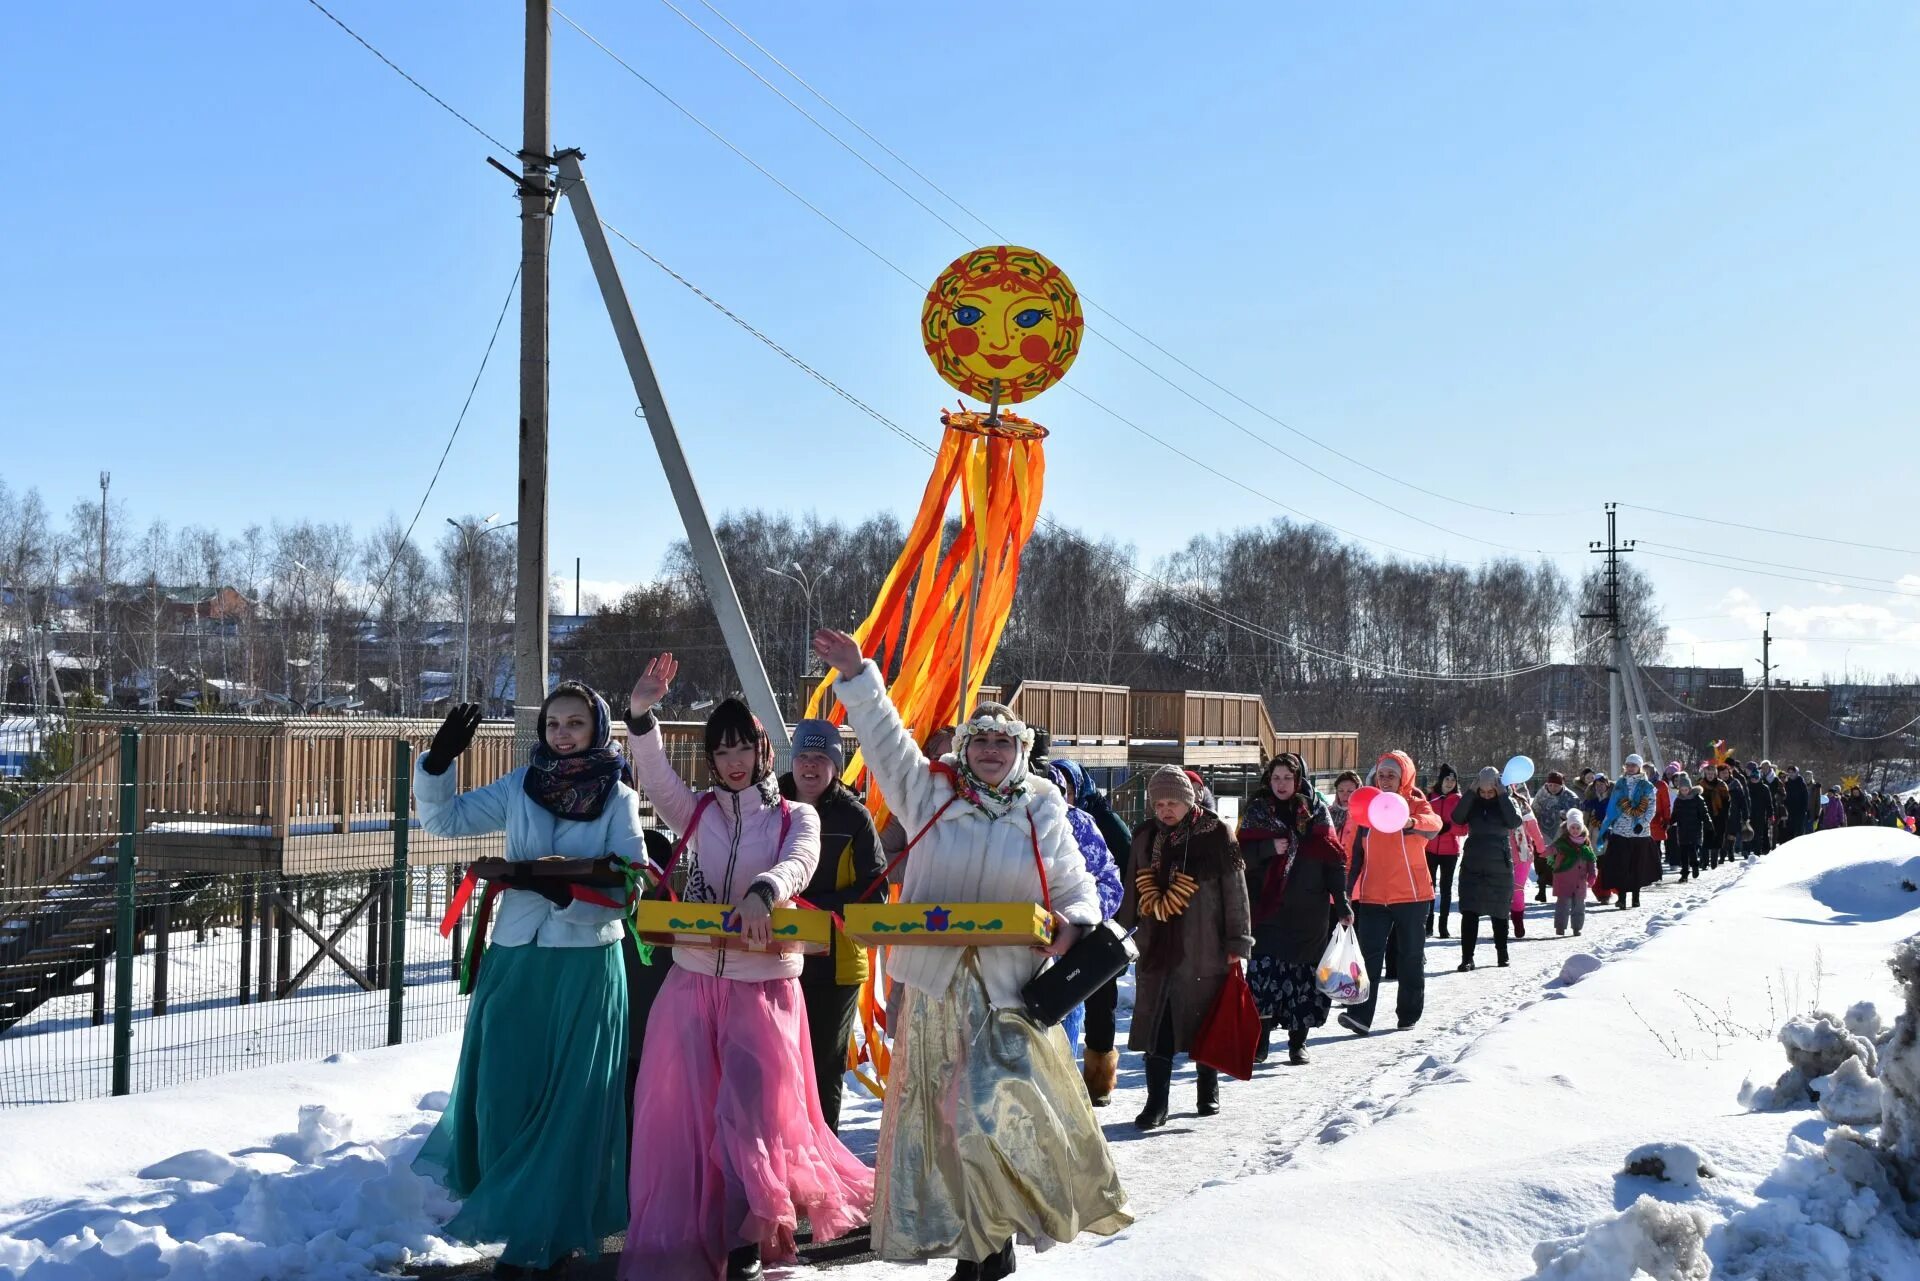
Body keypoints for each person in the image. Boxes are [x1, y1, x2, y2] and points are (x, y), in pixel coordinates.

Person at [816, 629, 1129, 1281]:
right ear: (965, 748)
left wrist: (1069, 929)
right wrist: (859, 675)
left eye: (1003, 741)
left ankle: (992, 1242)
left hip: (1008, 992)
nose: (991, 750)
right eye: (980, 740)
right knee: (943, 1129)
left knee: (989, 1121)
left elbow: (1080, 891)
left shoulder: (1042, 808)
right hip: (932, 989)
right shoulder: (928, 791)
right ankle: (977, 1249)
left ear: (1021, 751)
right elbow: (885, 740)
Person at [623, 658, 872, 1281]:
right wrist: (642, 716)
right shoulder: (699, 811)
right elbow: (654, 779)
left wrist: (766, 889)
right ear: (711, 757)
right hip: (691, 983)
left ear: (764, 749)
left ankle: (755, 1242)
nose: (734, 760)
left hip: (762, 993)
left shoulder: (796, 814)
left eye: (744, 747)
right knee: (692, 1119)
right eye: (722, 749)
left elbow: (801, 862)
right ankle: (700, 1234)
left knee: (753, 1118)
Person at [410, 688, 640, 1279]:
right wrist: (437, 764)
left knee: (571, 1103)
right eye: (554, 723)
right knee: (501, 1093)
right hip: (516, 956)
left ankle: (550, 1233)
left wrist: (573, 896)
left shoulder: (619, 797)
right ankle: (522, 1216)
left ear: (598, 727)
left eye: (576, 723)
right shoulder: (521, 785)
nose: (563, 733)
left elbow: (631, 884)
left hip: (584, 962)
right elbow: (444, 821)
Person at [1119, 766, 1253, 1128]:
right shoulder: (1145, 836)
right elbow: (1132, 887)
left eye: (1172, 802)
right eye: (1159, 803)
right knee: (1158, 1026)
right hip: (1157, 947)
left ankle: (1208, 1087)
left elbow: (1235, 892)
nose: (1165, 809)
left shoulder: (1216, 834)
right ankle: (1156, 1104)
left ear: (1188, 800)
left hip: (1204, 946)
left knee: (1203, 1020)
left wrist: (1237, 940)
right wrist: (1120, 929)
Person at [778, 718, 888, 1134]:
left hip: (835, 962)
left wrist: (815, 907)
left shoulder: (854, 817)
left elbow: (874, 892)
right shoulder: (771, 806)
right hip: (775, 955)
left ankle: (827, 1162)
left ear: (836, 766)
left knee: (823, 1066)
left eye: (821, 758)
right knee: (778, 1064)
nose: (810, 766)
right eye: (803, 756)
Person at [1238, 752, 1351, 1067]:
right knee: (1263, 980)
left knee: (1303, 980)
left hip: (1308, 912)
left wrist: (1341, 901)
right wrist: (1266, 848)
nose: (1281, 784)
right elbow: (1238, 858)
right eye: (1276, 778)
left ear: (1299, 779)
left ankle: (1297, 1043)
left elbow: (1335, 861)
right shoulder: (1256, 811)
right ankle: (1260, 1042)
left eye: (1288, 777)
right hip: (1267, 910)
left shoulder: (1317, 813)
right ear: (1267, 780)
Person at [1338, 750, 1442, 1037]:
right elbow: (1355, 855)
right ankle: (1359, 1016)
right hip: (1373, 896)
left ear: (1403, 778)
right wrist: (1346, 892)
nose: (1385, 780)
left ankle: (1408, 1013)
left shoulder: (1415, 804)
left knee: (1410, 956)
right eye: (1381, 774)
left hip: (1412, 895)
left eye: (1391, 775)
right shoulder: (1367, 808)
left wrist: (1410, 822)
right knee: (1368, 957)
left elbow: (1435, 825)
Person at [1048, 757, 1133, 1105]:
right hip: (1027, 944)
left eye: (1061, 789)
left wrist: (1086, 919)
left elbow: (1117, 871)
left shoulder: (1087, 822)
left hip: (1087, 936)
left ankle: (1093, 1082)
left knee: (1097, 1006)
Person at [1452, 767, 1525, 969]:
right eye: (1482, 792)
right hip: (1473, 864)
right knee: (1469, 912)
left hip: (1499, 865)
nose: (1485, 795)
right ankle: (1467, 958)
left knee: (1500, 911)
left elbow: (1513, 821)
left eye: (1489, 792)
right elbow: (1457, 817)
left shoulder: (1508, 802)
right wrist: (1470, 792)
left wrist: (1502, 795)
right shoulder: (1473, 803)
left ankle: (1502, 953)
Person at [1598, 755, 1658, 910]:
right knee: (1621, 866)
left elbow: (1651, 808)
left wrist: (1642, 823)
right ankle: (1622, 898)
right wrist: (1608, 825)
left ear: (1639, 767)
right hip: (1620, 832)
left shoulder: (1647, 786)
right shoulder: (1620, 784)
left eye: (1633, 765)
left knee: (1637, 866)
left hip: (1640, 833)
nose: (1630, 768)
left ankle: (1636, 897)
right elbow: (1612, 806)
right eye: (1628, 765)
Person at [1425, 764, 1463, 938]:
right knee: (1429, 888)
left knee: (1446, 888)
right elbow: (1421, 822)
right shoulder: (1429, 798)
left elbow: (1464, 829)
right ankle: (1429, 924)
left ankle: (1443, 926)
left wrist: (1449, 828)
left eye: (1453, 780)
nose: (1450, 783)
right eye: (1447, 779)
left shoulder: (1459, 800)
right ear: (1441, 780)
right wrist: (1433, 827)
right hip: (1429, 849)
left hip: (1450, 851)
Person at [1531, 772, 1581, 901]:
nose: (1553, 788)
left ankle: (1561, 890)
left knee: (1560, 863)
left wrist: (1564, 814)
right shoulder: (1541, 794)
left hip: (1561, 836)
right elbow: (1533, 810)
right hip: (1543, 834)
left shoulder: (1570, 796)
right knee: (1542, 861)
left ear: (1562, 785)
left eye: (1556, 786)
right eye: (1551, 785)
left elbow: (1576, 814)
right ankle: (1541, 888)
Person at [1548, 811, 1599, 937]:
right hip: (1564, 878)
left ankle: (1577, 927)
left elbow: (1591, 860)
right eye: (1572, 827)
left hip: (1580, 880)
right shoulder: (1563, 842)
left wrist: (1592, 875)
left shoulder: (1585, 843)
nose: (1575, 830)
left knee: (1579, 905)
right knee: (1563, 904)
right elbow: (1552, 848)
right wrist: (1543, 850)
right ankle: (1560, 927)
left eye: (1577, 828)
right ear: (1568, 828)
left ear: (1581, 828)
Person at [1507, 782, 1546, 939]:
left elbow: (1533, 828)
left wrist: (1541, 848)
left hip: (1522, 853)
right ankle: (1502, 923)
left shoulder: (1522, 804)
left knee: (1517, 889)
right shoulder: (1491, 804)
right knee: (1502, 891)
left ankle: (1518, 921)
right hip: (1498, 854)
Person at [1668, 772, 1708, 884]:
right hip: (1682, 830)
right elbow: (1675, 814)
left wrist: (1708, 823)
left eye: (1686, 789)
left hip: (1694, 829)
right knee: (1683, 852)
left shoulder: (1697, 799)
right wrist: (1669, 823)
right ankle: (1684, 873)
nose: (1684, 792)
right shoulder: (1678, 800)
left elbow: (1704, 813)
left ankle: (1695, 866)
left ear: (1690, 788)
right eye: (1682, 789)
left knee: (1692, 851)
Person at [1748, 762, 1778, 856]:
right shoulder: (1747, 787)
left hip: (1761, 814)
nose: (1754, 779)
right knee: (1749, 833)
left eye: (1756, 777)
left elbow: (1769, 803)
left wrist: (1771, 814)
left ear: (1759, 777)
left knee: (1758, 834)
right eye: (1752, 777)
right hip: (1749, 814)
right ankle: (1748, 851)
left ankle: (1757, 852)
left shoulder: (1765, 788)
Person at [1328, 770, 1362, 835]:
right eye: (1341, 791)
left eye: (1350, 791)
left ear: (1358, 792)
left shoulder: (1363, 817)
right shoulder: (1327, 813)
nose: (1345, 795)